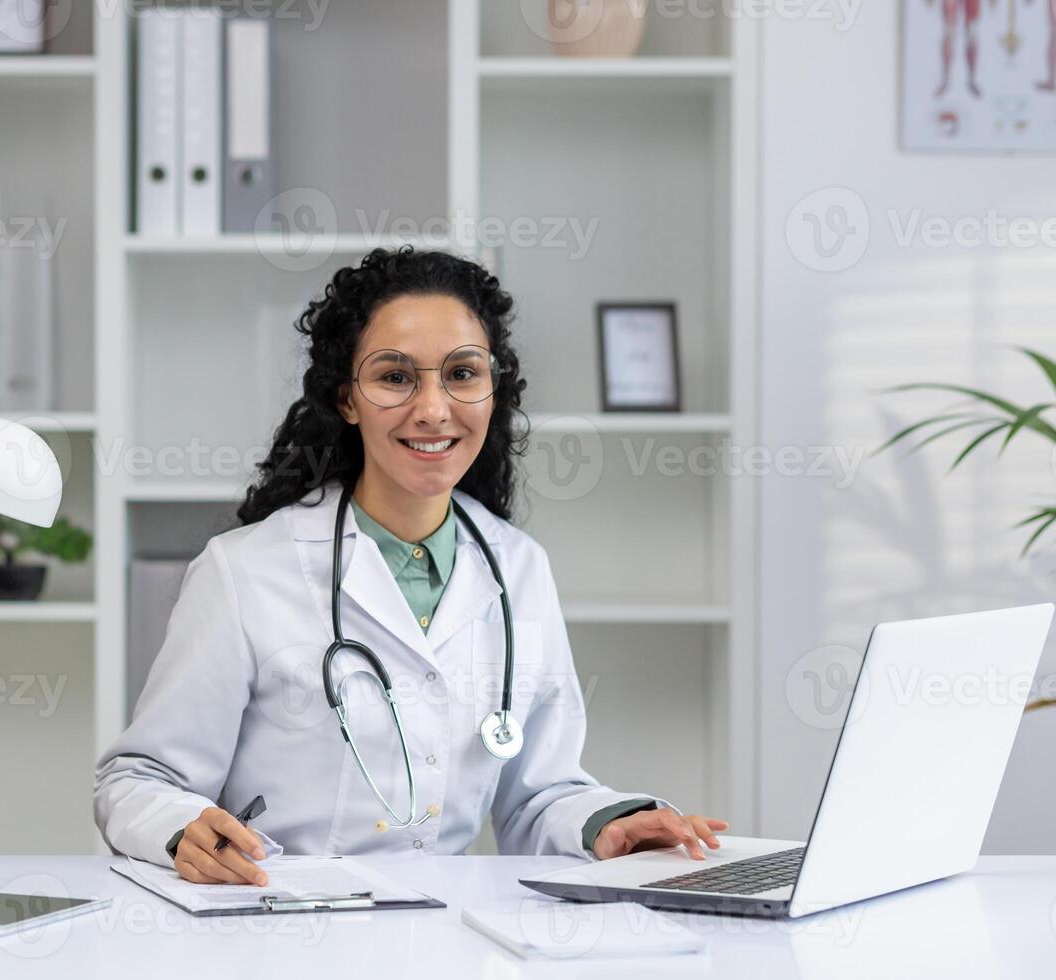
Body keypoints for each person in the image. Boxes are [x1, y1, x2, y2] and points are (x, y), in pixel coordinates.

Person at [94, 247, 727, 886]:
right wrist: (181, 829)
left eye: (462, 374)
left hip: (446, 933)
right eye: (396, 377)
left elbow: (538, 797)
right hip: (277, 925)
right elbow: (138, 780)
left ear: (492, 389)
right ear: (346, 398)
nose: (432, 408)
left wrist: (606, 823)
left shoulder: (519, 570)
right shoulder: (245, 572)